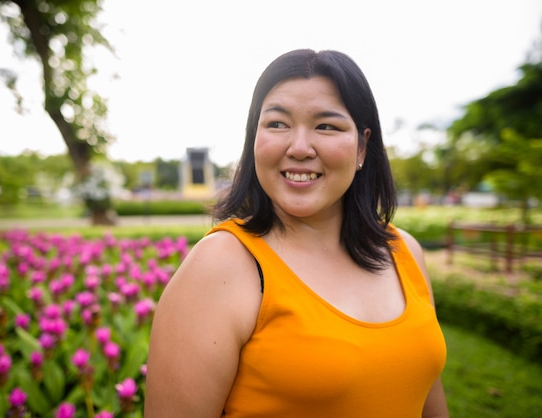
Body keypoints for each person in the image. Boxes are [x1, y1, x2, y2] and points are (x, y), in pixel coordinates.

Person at [144, 49, 449, 418]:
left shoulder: (404, 251)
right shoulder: (220, 266)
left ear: (362, 146)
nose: (300, 148)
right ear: (253, 139)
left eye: (326, 126)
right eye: (276, 124)